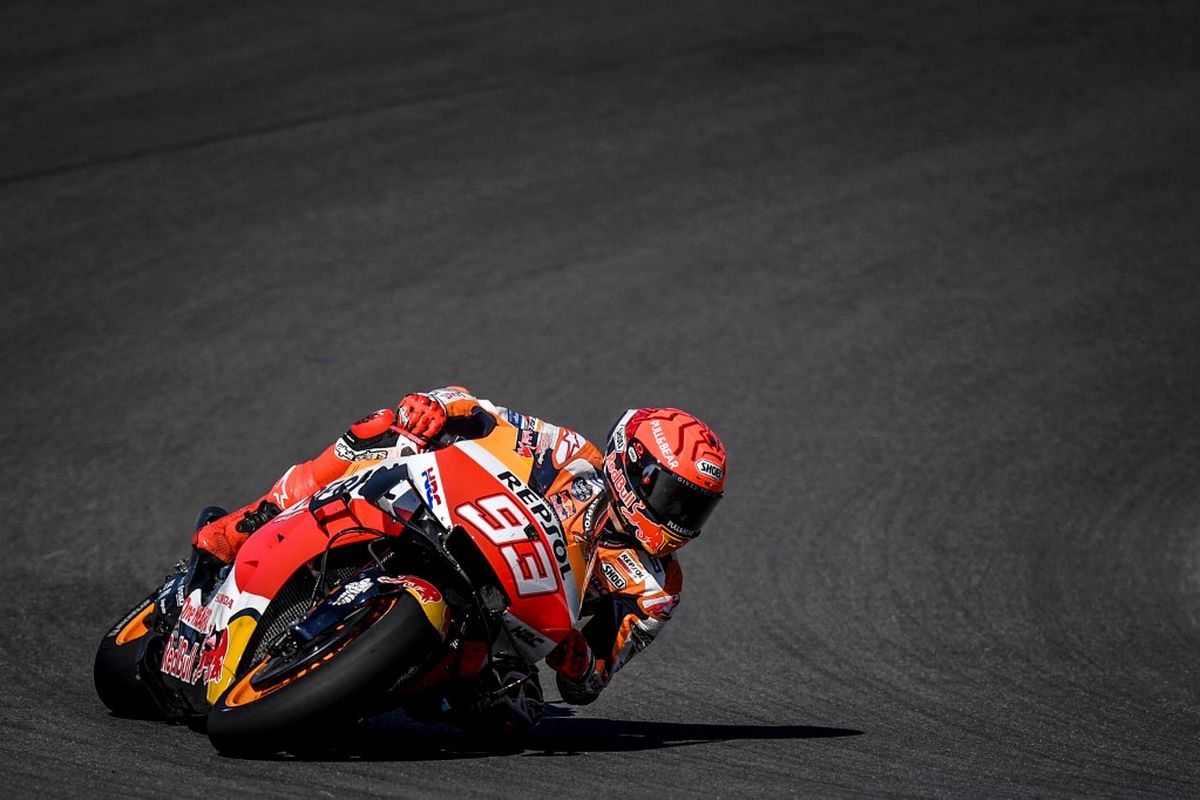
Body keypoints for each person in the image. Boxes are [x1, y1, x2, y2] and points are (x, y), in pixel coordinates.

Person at [193, 386, 727, 713]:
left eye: (695, 508)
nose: (680, 518)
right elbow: (485, 415)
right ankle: (236, 530)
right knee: (382, 430)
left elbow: (588, 683)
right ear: (632, 464)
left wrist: (575, 654)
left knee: (514, 718)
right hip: (452, 533)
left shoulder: (656, 588)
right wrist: (437, 409)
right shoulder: (571, 455)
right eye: (674, 497)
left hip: (503, 635)